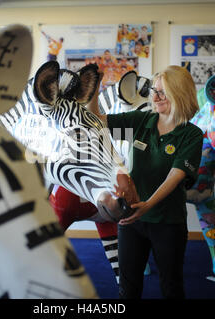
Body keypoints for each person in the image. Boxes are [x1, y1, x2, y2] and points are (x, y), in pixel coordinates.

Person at [87, 65, 203, 299]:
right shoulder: (142, 121)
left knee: (171, 285)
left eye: (163, 92)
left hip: (167, 221)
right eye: (154, 91)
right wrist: (93, 89)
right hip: (131, 219)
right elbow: (96, 121)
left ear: (179, 93)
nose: (155, 97)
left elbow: (176, 175)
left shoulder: (192, 134)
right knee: (128, 287)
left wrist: (148, 205)